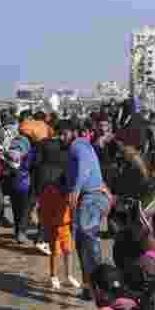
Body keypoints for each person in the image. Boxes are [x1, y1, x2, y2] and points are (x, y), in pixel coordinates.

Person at [58, 119, 109, 297]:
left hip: (89, 200)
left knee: (88, 245)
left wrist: (75, 191)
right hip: (94, 199)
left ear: (73, 132)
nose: (61, 137)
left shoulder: (77, 147)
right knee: (85, 244)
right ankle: (91, 286)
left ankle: (98, 288)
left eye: (64, 133)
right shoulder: (85, 146)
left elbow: (84, 169)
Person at [35, 131, 80, 289]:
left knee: (68, 250)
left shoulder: (57, 184)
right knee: (57, 251)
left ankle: (68, 275)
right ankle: (54, 275)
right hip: (55, 223)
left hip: (65, 222)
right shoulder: (51, 188)